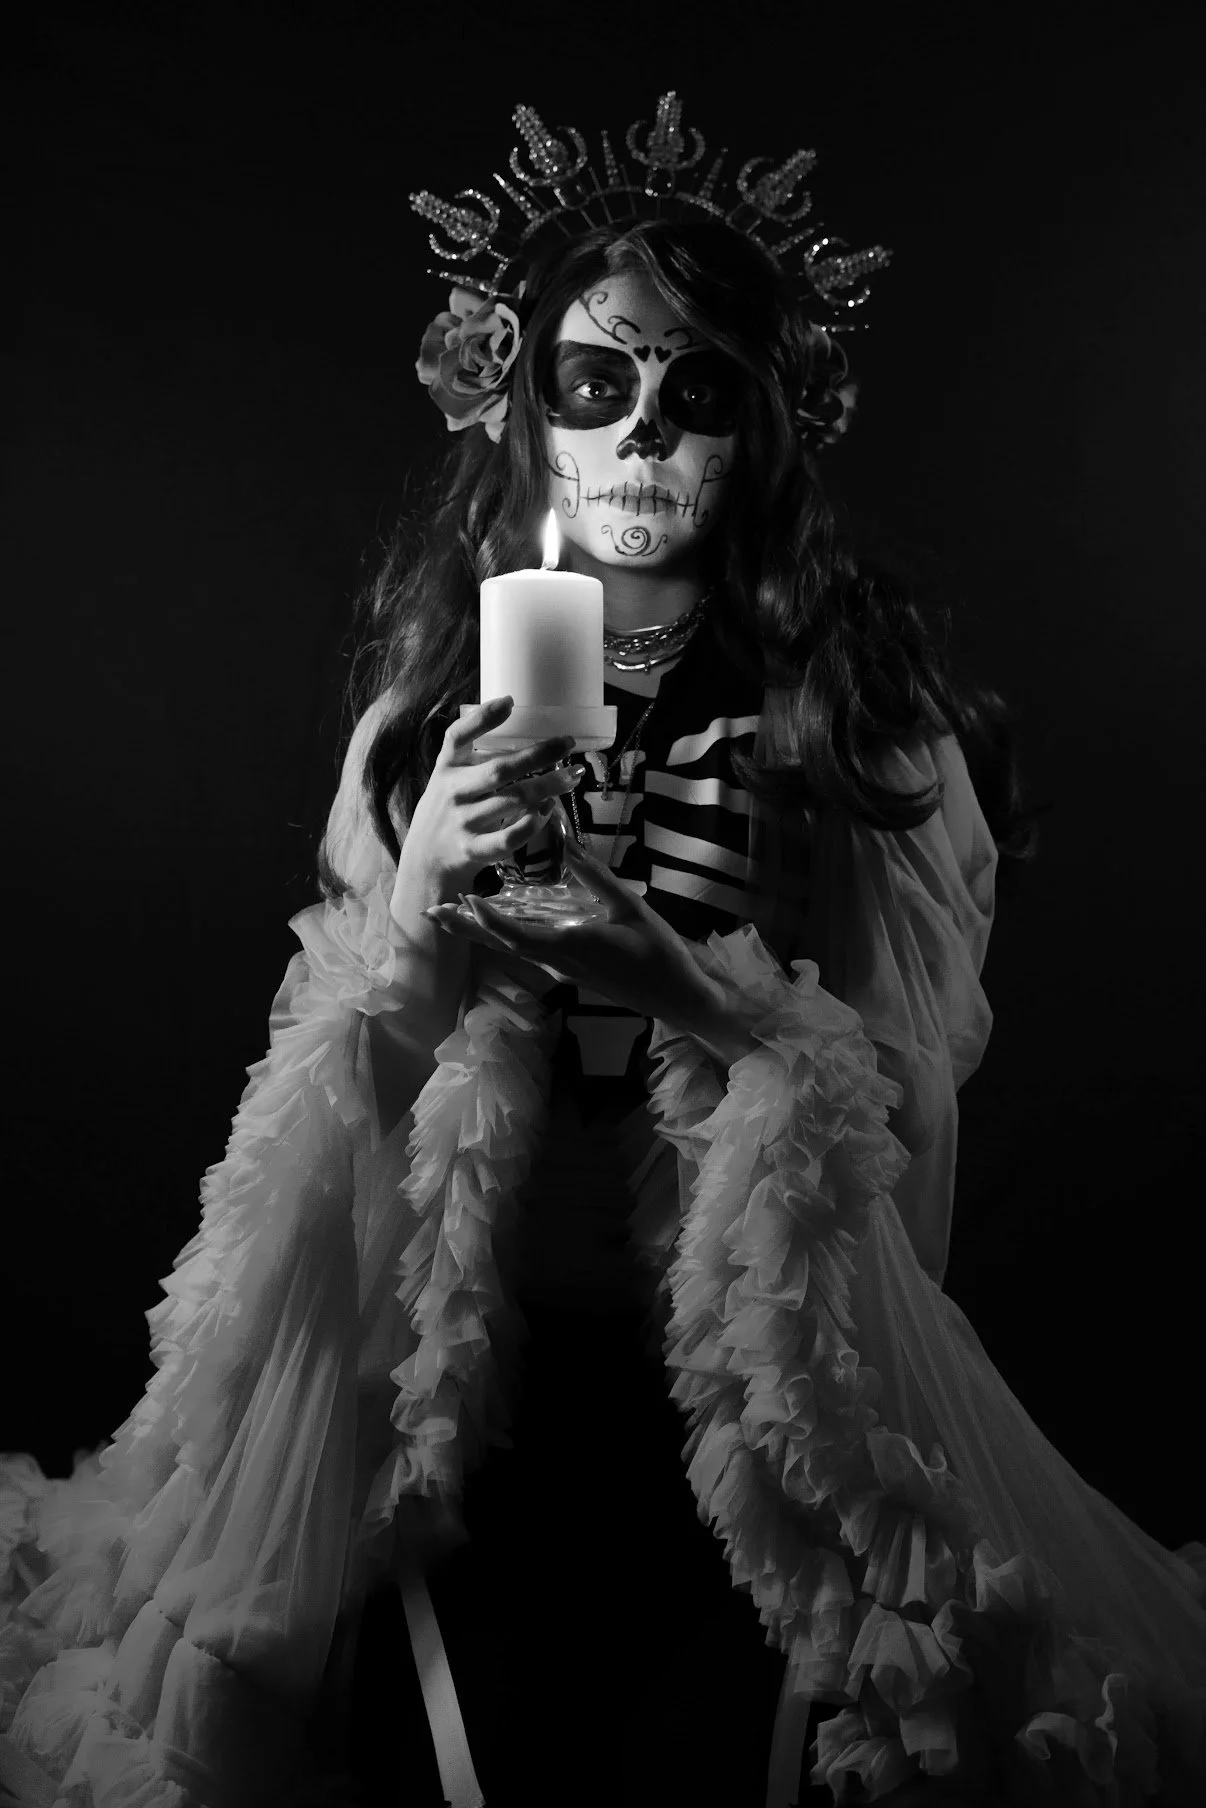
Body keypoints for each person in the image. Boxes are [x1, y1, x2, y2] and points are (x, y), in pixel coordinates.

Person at [1, 92, 1203, 1808]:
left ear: (762, 432)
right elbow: (325, 1148)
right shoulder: (419, 729)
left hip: (760, 1405)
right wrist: (417, 922)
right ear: (521, 412)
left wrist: (687, 991)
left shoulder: (862, 734)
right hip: (471, 1400)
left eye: (694, 392)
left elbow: (903, 1143)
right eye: (593, 384)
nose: (640, 433)